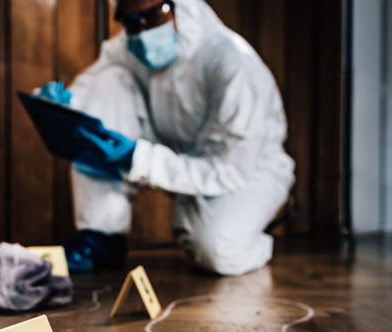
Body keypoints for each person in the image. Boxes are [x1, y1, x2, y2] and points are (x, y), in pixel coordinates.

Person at [39, 0, 294, 276]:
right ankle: (102, 239)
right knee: (108, 82)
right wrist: (66, 105)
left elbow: (229, 168)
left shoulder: (231, 61)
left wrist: (137, 158)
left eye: (153, 15)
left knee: (217, 251)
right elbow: (96, 82)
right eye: (132, 22)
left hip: (246, 172)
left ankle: (260, 229)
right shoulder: (128, 45)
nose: (143, 31)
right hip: (176, 155)